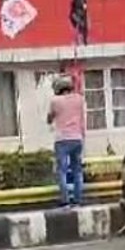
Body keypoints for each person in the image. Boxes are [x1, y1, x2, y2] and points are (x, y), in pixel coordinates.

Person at [47, 75, 85, 207]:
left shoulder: (55, 101)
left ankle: (65, 199)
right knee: (77, 170)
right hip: (77, 138)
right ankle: (78, 198)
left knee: (62, 170)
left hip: (62, 139)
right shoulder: (79, 99)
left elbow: (49, 118)